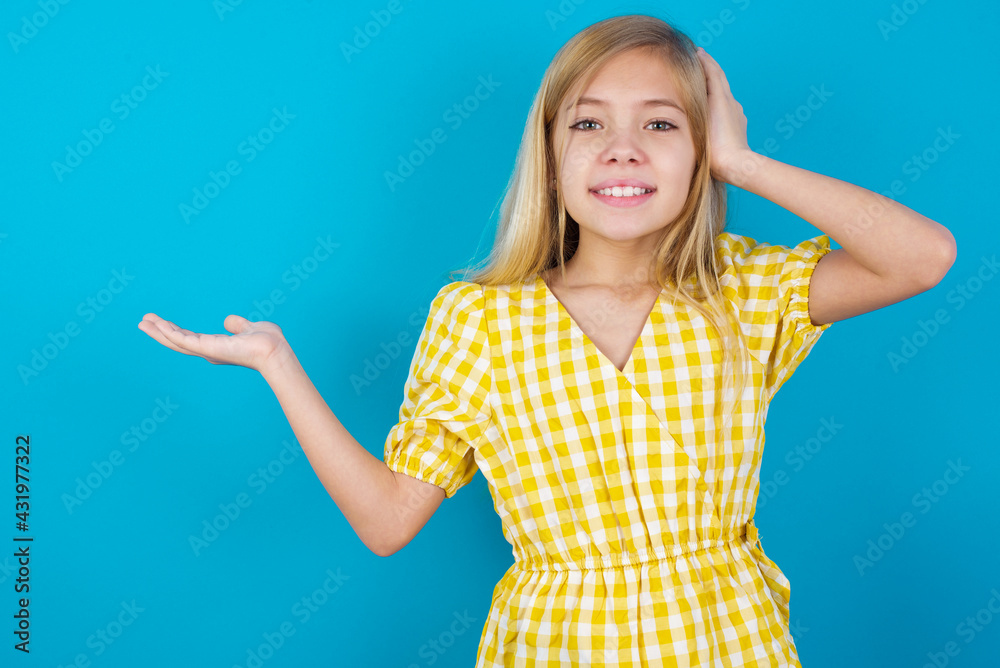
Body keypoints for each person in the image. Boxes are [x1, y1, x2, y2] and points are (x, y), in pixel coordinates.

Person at [138, 14, 956, 667]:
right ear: (552, 154)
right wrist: (279, 367)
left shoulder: (738, 290)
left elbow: (924, 257)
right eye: (588, 123)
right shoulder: (478, 320)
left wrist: (741, 161)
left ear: (699, 148)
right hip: (555, 645)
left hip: (730, 641)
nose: (622, 148)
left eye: (663, 124)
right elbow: (388, 521)